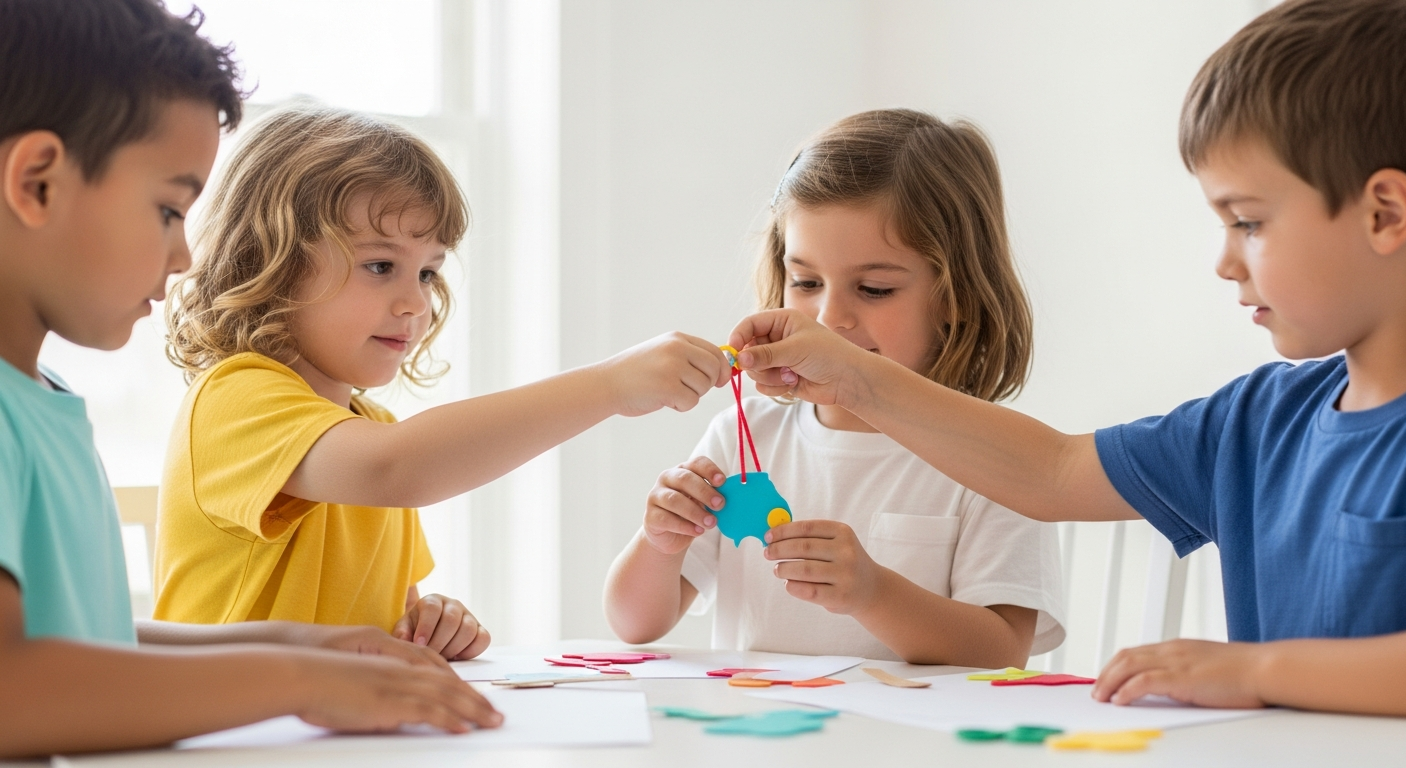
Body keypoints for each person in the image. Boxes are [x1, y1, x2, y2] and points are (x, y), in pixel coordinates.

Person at [726, 0, 1406, 716]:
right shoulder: (1257, 423)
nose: (1224, 262)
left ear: (1385, 214)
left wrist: (1259, 672)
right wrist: (855, 377)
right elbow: (1051, 472)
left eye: (1249, 222)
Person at [0, 0, 500, 757]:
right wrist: (298, 679)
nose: (184, 256)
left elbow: (85, 638)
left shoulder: (41, 403)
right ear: (37, 183)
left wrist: (306, 650)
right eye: (168, 210)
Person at [157, 104, 732, 659]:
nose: (416, 302)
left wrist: (431, 623)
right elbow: (397, 468)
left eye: (428, 272)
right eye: (381, 266)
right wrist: (610, 386)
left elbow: (392, 617)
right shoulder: (233, 399)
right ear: (271, 262)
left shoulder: (375, 431)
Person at [605, 110, 1065, 666]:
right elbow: (634, 624)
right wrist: (660, 543)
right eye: (806, 282)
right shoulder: (741, 438)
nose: (829, 318)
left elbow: (1001, 651)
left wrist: (874, 593)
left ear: (955, 296)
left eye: (873, 288)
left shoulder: (1000, 457)